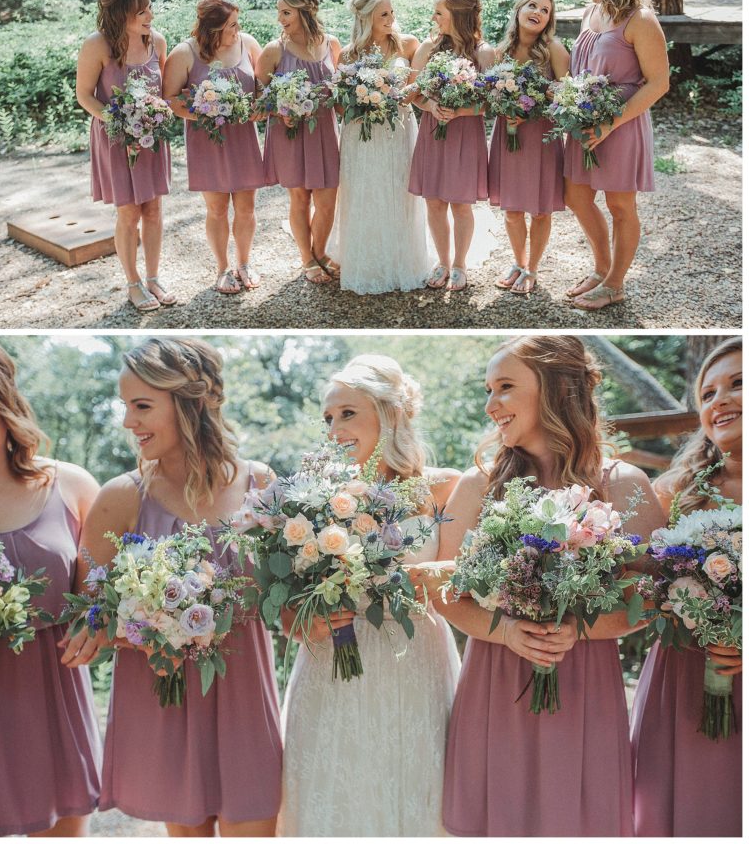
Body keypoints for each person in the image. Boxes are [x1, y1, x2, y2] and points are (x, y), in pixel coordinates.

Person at [436, 335, 664, 836]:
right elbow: (444, 591)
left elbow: (649, 598)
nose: (490, 404)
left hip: (583, 679)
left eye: (505, 387)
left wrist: (580, 630)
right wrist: (506, 633)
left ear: (557, 390)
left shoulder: (625, 484)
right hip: (496, 677)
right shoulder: (477, 486)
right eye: (488, 389)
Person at [64, 337, 282, 836]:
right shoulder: (121, 498)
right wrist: (141, 621)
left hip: (244, 701)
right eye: (126, 407)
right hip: (166, 699)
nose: (127, 423)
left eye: (142, 406)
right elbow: (91, 612)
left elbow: (279, 600)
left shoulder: (260, 483)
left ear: (192, 403)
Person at [278, 354, 461, 836]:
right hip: (330, 665)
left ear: (390, 414)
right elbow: (287, 610)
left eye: (348, 413)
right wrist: (305, 618)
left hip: (415, 662)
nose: (334, 429)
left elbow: (460, 585)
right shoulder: (310, 497)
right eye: (328, 418)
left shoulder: (445, 488)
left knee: (418, 795)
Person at [0, 342, 102, 836]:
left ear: (2, 405)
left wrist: (94, 624)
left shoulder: (72, 485)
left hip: (54, 702)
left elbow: (102, 600)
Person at [630, 336, 742, 837]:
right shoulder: (676, 491)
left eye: (739, 384)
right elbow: (639, 588)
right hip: (685, 673)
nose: (721, 401)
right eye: (709, 393)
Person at [563, 0, 669, 311]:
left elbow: (659, 82)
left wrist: (611, 123)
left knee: (621, 205)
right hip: (583, 122)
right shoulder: (589, 13)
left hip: (621, 123)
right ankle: (601, 268)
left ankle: (615, 284)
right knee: (575, 196)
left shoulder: (640, 19)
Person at [76, 0, 176, 312]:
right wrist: (118, 120)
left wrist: (154, 117)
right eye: (141, 11)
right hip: (115, 137)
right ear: (121, 14)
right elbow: (84, 96)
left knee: (154, 210)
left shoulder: (157, 43)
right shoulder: (97, 45)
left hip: (151, 138)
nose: (150, 15)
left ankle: (153, 277)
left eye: (149, 7)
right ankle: (133, 283)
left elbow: (162, 94)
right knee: (129, 212)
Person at [327, 0, 430, 294]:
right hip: (361, 133)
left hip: (398, 128)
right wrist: (364, 100)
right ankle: (365, 259)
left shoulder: (408, 45)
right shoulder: (349, 54)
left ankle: (403, 258)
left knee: (399, 189)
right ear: (366, 18)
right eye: (384, 14)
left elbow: (416, 91)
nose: (391, 17)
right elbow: (340, 103)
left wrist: (391, 96)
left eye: (391, 11)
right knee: (365, 191)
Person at [163, 0, 266, 293]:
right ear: (213, 28)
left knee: (246, 208)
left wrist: (257, 108)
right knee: (217, 209)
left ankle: (244, 263)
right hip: (207, 140)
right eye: (232, 25)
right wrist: (205, 112)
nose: (238, 29)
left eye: (237, 23)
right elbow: (171, 100)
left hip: (243, 137)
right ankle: (222, 268)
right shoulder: (185, 53)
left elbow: (262, 88)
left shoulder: (248, 44)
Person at [408, 0, 496, 291]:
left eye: (439, 13)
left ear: (458, 16)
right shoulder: (427, 48)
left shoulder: (483, 53)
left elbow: (491, 101)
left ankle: (460, 263)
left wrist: (461, 112)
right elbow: (412, 94)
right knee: (433, 202)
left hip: (465, 134)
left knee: (460, 204)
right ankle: (442, 261)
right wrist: (431, 105)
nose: (434, 18)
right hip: (433, 132)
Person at [255, 0, 341, 283]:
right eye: (279, 11)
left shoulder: (331, 44)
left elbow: (339, 90)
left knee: (328, 200)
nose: (280, 18)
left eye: (286, 12)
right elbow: (260, 97)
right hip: (290, 133)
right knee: (300, 198)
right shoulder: (273, 50)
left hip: (326, 131)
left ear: (308, 11)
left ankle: (320, 251)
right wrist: (281, 111)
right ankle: (307, 259)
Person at [488, 0, 569, 296]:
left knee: (539, 209)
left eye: (545, 10)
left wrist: (535, 110)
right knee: (511, 209)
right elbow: (490, 96)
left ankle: (533, 268)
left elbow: (567, 99)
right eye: (533, 5)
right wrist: (505, 109)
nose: (538, 12)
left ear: (549, 19)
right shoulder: (501, 52)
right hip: (507, 135)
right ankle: (518, 263)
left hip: (540, 137)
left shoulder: (555, 51)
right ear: (519, 10)